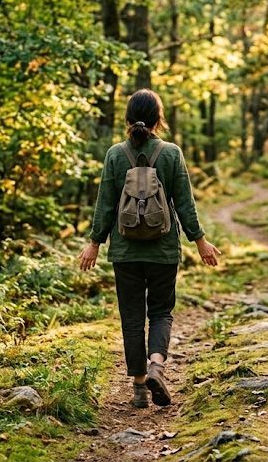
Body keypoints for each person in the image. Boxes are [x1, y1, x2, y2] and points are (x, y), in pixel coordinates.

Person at [78, 89, 221, 409]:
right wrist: (199, 240)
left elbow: (105, 203)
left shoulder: (116, 154)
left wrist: (94, 243)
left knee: (131, 317)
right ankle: (157, 365)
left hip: (125, 253)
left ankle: (140, 387)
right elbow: (184, 202)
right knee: (160, 312)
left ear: (128, 118)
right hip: (163, 250)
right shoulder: (171, 153)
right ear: (159, 119)